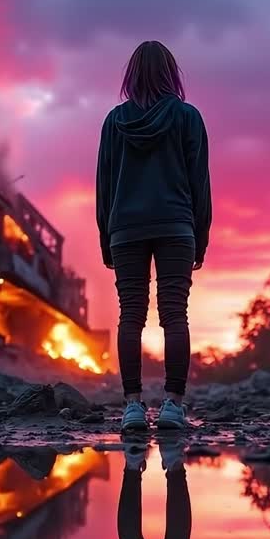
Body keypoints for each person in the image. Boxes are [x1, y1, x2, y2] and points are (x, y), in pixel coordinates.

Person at [96, 40, 213, 432]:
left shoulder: (114, 122)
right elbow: (200, 183)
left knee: (130, 316)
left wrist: (104, 238)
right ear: (171, 75)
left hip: (125, 230)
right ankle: (173, 406)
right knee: (174, 315)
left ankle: (132, 407)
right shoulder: (188, 118)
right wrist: (201, 235)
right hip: (176, 226)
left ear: (131, 76)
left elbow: (105, 185)